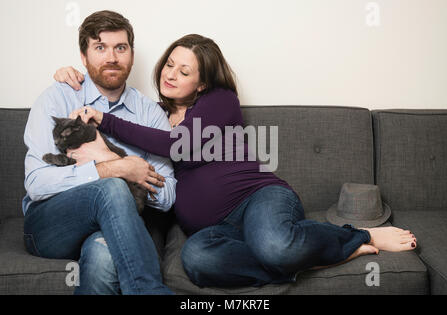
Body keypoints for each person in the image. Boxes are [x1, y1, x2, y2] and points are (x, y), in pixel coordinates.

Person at [55, 34, 418, 288]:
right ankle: (308, 259)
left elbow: (177, 145)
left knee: (275, 244)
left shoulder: (219, 101)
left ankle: (358, 237)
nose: (170, 74)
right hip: (213, 231)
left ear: (201, 84)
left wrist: (105, 119)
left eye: (184, 71)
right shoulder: (151, 113)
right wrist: (71, 76)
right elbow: (117, 114)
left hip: (259, 199)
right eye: (169, 64)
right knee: (198, 262)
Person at [23, 10, 176, 295]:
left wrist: (109, 158)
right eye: (100, 47)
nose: (112, 57)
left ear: (131, 53)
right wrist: (117, 169)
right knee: (112, 187)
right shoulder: (57, 98)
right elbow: (36, 183)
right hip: (51, 224)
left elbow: (168, 196)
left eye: (120, 47)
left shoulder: (150, 114)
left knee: (103, 257)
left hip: (123, 225)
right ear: (83, 57)